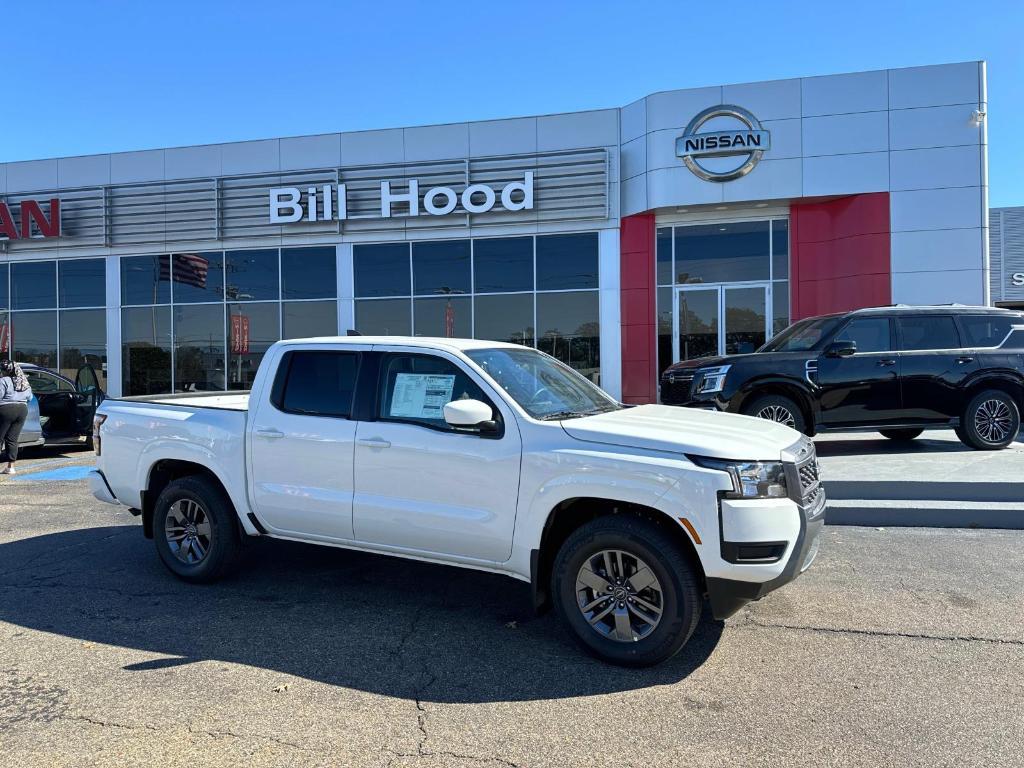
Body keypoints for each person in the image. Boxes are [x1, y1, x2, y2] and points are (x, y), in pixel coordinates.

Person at [0, 359, 33, 475]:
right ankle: (11, 467)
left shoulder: (3, 381)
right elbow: (30, 397)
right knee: (12, 439)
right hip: (22, 410)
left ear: (4, 371)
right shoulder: (23, 381)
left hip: (5, 409)